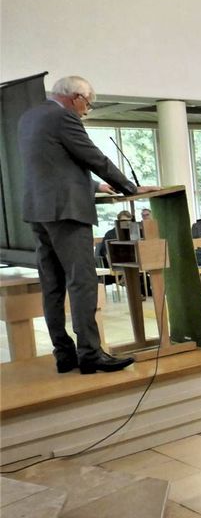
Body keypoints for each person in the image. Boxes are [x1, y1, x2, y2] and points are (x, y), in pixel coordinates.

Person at [19, 75, 157, 374]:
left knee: (52, 284)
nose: (86, 110)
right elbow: (94, 157)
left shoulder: (30, 117)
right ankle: (91, 354)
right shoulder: (63, 117)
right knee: (81, 282)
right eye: (88, 104)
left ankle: (64, 353)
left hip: (39, 211)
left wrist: (94, 187)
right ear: (76, 97)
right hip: (67, 213)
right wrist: (129, 188)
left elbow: (52, 165)